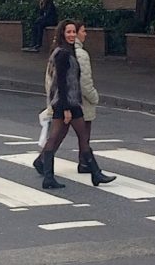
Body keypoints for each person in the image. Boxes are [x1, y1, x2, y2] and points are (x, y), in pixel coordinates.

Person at [34, 19, 115, 189]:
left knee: (67, 137)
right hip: (67, 103)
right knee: (75, 137)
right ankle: (94, 173)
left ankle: (94, 173)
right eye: (68, 32)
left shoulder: (66, 51)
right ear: (62, 33)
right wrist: (66, 109)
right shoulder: (63, 53)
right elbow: (62, 83)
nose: (71, 35)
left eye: (73, 32)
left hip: (70, 102)